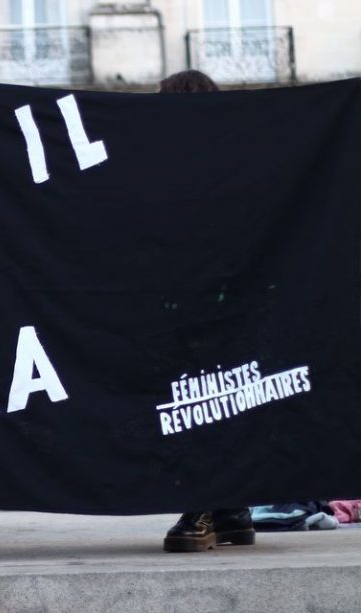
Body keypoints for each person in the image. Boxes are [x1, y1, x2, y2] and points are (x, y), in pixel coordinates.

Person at [159, 70, 256, 554]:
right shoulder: (242, 157)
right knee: (232, 399)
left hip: (197, 305)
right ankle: (233, 510)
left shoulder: (177, 165)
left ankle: (202, 508)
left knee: (196, 403)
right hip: (243, 302)